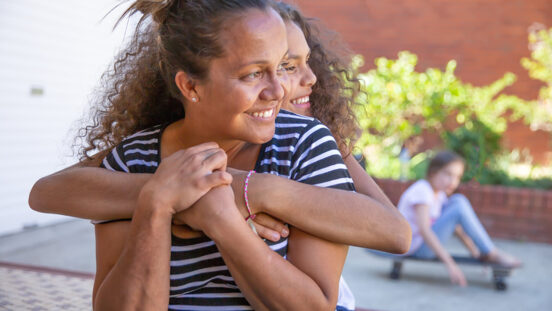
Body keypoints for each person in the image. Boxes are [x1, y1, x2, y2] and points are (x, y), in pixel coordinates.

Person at [28, 1, 412, 309]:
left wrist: (223, 210)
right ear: (190, 86)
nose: (279, 90)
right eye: (252, 74)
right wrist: (158, 204)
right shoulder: (134, 159)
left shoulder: (304, 147)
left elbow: (316, 304)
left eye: (282, 67)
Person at [397, 150, 522, 286]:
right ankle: (493, 253)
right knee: (459, 202)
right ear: (433, 172)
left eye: (457, 177)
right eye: (448, 174)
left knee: (457, 201)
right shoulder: (423, 190)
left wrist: (475, 253)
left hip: (422, 246)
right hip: (415, 249)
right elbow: (424, 230)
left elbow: (455, 225)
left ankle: (489, 252)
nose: (453, 182)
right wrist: (451, 265)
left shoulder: (439, 195)